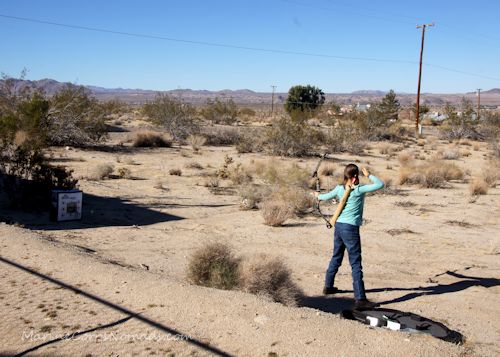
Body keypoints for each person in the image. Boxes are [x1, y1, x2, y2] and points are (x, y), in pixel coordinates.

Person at [313, 164, 384, 309]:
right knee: (355, 262)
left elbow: (323, 197)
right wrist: (369, 175)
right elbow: (380, 184)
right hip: (351, 229)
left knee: (336, 255)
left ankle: (328, 286)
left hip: (338, 226)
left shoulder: (339, 189)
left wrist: (316, 194)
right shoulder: (359, 190)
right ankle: (360, 299)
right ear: (356, 176)